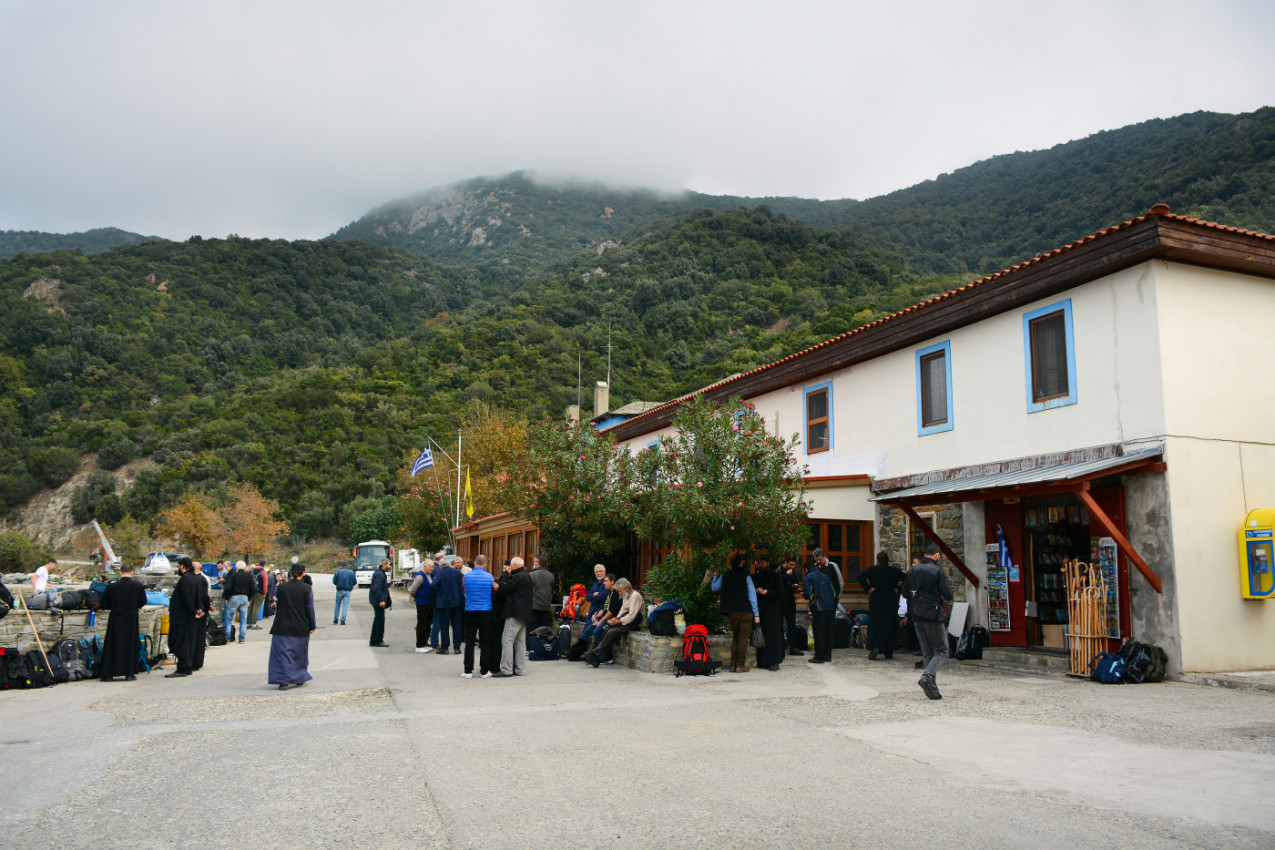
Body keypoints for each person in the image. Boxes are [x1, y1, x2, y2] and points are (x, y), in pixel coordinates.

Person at [903, 543, 954, 700]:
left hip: (917, 614)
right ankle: (927, 676)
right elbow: (949, 595)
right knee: (942, 649)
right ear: (937, 555)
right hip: (933, 614)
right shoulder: (938, 570)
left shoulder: (912, 570)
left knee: (927, 652)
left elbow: (905, 593)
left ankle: (933, 688)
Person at [269, 563, 316, 690]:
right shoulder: (306, 588)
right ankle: (299, 676)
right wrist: (312, 625)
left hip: (282, 624)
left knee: (282, 654)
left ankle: (283, 680)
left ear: (290, 573)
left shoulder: (282, 587)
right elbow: (309, 608)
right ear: (303, 573)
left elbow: (277, 603)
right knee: (299, 653)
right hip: (300, 624)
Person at [711, 553, 760, 673]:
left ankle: (733, 664)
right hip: (745, 611)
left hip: (731, 611)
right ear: (741, 563)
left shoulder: (726, 575)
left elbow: (714, 588)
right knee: (743, 639)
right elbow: (752, 596)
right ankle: (740, 665)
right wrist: (756, 614)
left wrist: (715, 577)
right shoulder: (746, 577)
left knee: (735, 637)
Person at [99, 563, 147, 681]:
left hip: (116, 618)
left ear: (120, 573)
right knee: (130, 645)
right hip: (131, 618)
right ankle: (129, 673)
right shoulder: (138, 586)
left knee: (112, 645)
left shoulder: (113, 586)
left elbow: (104, 603)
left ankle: (109, 674)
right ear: (132, 573)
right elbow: (143, 601)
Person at [858, 551, 908, 660]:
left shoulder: (873, 570)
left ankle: (874, 646)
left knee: (876, 623)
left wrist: (868, 588)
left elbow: (860, 576)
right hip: (890, 599)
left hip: (876, 598)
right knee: (889, 624)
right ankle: (888, 650)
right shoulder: (894, 571)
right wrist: (898, 589)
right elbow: (906, 578)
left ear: (878, 560)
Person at [585, 578, 643, 667]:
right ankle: (598, 657)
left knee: (611, 631)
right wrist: (616, 619)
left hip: (634, 623)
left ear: (626, 588)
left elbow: (632, 615)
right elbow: (623, 610)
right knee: (606, 629)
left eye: (620, 591)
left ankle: (595, 654)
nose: (619, 593)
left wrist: (618, 621)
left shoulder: (635, 596)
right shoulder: (625, 595)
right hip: (625, 621)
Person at [167, 557, 207, 678]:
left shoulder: (185, 579)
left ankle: (182, 668)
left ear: (183, 566)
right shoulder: (196, 578)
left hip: (182, 617)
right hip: (191, 617)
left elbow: (187, 597)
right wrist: (199, 609)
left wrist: (193, 610)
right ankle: (187, 667)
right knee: (188, 643)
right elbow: (200, 595)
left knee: (180, 643)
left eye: (179, 566)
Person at [494, 556, 532, 678]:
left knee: (507, 641)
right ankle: (520, 669)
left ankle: (506, 669)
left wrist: (505, 575)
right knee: (520, 642)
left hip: (514, 612)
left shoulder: (518, 576)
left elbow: (504, 588)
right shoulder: (526, 575)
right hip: (523, 613)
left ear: (514, 566)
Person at [460, 555, 497, 678]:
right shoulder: (490, 577)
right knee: (485, 641)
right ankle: (485, 670)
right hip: (486, 610)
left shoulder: (466, 577)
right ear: (485, 564)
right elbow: (491, 593)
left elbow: (465, 590)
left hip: (470, 610)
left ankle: (468, 670)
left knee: (469, 641)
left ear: (475, 563)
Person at [752, 557, 786, 671]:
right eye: (758, 563)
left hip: (772, 611)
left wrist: (768, 592)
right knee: (760, 635)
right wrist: (757, 590)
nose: (759, 565)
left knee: (773, 636)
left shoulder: (775, 576)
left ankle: (774, 661)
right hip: (759, 610)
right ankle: (762, 661)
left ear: (767, 563)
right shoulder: (754, 577)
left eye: (761, 562)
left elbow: (781, 593)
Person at [803, 560, 835, 664]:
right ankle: (828, 655)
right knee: (828, 632)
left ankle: (819, 656)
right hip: (830, 607)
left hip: (819, 607)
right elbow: (834, 593)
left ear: (806, 569)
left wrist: (805, 595)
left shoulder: (809, 577)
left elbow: (807, 593)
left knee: (819, 632)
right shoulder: (825, 576)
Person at [431, 555, 465, 654]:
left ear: (440, 566)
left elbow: (433, 585)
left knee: (444, 625)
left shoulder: (440, 573)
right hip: (457, 602)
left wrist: (439, 594)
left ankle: (445, 648)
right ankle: (457, 647)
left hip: (444, 603)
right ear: (449, 564)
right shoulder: (457, 573)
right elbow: (463, 584)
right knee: (456, 625)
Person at [408, 558, 436, 653]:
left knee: (427, 624)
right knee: (422, 624)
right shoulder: (420, 576)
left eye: (433, 567)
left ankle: (424, 643)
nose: (432, 569)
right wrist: (415, 596)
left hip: (429, 603)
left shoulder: (428, 575)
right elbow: (412, 590)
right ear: (425, 566)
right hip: (423, 604)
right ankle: (419, 645)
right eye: (431, 567)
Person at [222, 560, 254, 643]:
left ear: (236, 567)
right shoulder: (249, 576)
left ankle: (228, 637)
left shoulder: (233, 575)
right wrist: (249, 597)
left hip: (234, 597)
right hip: (245, 597)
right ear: (245, 567)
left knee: (229, 618)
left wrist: (226, 598)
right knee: (243, 619)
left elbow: (228, 587)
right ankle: (242, 638)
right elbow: (253, 589)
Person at [779, 557, 805, 656]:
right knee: (780, 626)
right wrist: (786, 575)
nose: (793, 567)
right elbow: (778, 582)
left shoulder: (792, 572)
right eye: (791, 565)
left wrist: (796, 585)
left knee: (792, 625)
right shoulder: (779, 570)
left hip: (790, 601)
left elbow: (796, 582)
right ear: (785, 563)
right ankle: (780, 648)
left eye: (794, 565)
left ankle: (793, 647)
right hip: (781, 602)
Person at [192, 562, 213, 672]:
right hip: (203, 609)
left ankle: (195, 661)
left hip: (199, 611)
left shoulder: (198, 579)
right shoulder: (204, 578)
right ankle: (198, 661)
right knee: (200, 636)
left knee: (197, 637)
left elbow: (203, 595)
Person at [528, 555, 555, 634]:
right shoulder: (551, 576)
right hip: (546, 607)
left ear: (538, 563)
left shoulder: (531, 575)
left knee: (531, 631)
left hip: (533, 607)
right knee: (545, 631)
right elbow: (552, 591)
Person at [369, 558, 392, 647]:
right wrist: (381, 600)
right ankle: (378, 640)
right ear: (383, 564)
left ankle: (373, 640)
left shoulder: (380, 573)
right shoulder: (379, 575)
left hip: (376, 600)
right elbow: (377, 588)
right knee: (380, 621)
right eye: (388, 565)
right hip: (378, 601)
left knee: (377, 620)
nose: (389, 566)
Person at [332, 560, 356, 625]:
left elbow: (334, 581)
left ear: (341, 565)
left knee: (337, 605)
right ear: (347, 565)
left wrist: (338, 583)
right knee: (345, 606)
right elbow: (355, 582)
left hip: (339, 590)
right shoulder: (351, 572)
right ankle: (343, 620)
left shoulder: (338, 572)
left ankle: (335, 619)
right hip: (347, 591)